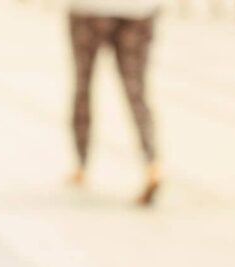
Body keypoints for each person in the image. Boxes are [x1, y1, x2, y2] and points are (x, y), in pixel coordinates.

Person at [67, 0, 163, 205]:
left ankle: (81, 165)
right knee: (136, 89)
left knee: (83, 84)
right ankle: (152, 164)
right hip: (139, 10)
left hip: (89, 10)